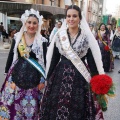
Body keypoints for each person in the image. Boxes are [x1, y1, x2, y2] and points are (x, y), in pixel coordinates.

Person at [39, 5, 112, 120]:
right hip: (60, 75)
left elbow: (92, 61)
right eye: (68, 16)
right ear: (65, 18)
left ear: (79, 18)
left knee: (77, 107)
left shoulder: (86, 37)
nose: (71, 19)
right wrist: (48, 78)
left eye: (74, 16)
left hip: (80, 78)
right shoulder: (59, 36)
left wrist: (96, 81)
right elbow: (54, 59)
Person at [0, 9, 47, 119]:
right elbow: (11, 56)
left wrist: (43, 80)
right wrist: (8, 77)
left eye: (34, 23)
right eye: (29, 22)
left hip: (34, 80)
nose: (31, 25)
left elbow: (45, 61)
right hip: (16, 75)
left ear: (38, 24)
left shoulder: (43, 41)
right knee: (14, 107)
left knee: (32, 108)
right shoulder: (17, 37)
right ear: (25, 23)